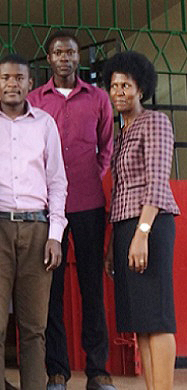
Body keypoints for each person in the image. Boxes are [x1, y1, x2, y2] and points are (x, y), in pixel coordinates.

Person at [0, 54, 68, 390]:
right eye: (6, 78)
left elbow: (57, 182)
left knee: (34, 326)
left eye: (19, 78)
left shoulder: (45, 124)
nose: (12, 84)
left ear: (29, 84)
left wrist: (55, 235)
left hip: (38, 231)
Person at [27, 31, 115, 390]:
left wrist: (92, 174)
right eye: (58, 52)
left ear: (79, 58)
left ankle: (98, 370)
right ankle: (57, 371)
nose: (65, 58)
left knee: (91, 288)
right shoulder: (34, 99)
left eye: (71, 52)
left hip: (88, 203)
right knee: (51, 291)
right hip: (47, 210)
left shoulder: (98, 98)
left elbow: (108, 145)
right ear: (49, 59)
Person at [103, 51, 180, 390]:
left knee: (158, 319)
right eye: (114, 85)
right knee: (142, 323)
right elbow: (120, 190)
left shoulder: (156, 122)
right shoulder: (123, 133)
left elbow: (157, 179)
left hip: (149, 225)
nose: (119, 92)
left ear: (141, 88)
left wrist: (142, 233)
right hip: (125, 228)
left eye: (126, 85)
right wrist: (112, 246)